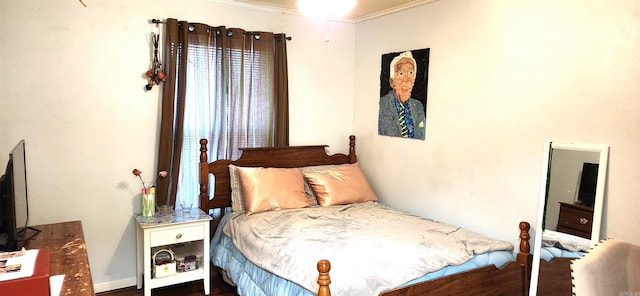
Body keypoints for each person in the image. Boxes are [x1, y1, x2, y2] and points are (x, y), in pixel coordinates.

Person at [378, 51, 426, 139]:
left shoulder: (418, 106)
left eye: (411, 73)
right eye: (401, 73)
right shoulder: (382, 104)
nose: (407, 79)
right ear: (392, 82)